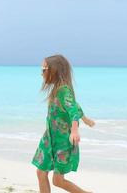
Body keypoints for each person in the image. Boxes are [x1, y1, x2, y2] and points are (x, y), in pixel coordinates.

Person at [32, 54, 95, 193]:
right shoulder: (57, 89)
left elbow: (72, 109)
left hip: (62, 142)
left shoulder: (63, 90)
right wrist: (85, 118)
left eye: (44, 69)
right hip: (49, 139)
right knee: (41, 173)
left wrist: (74, 130)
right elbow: (75, 105)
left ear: (54, 71)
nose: (41, 73)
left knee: (58, 181)